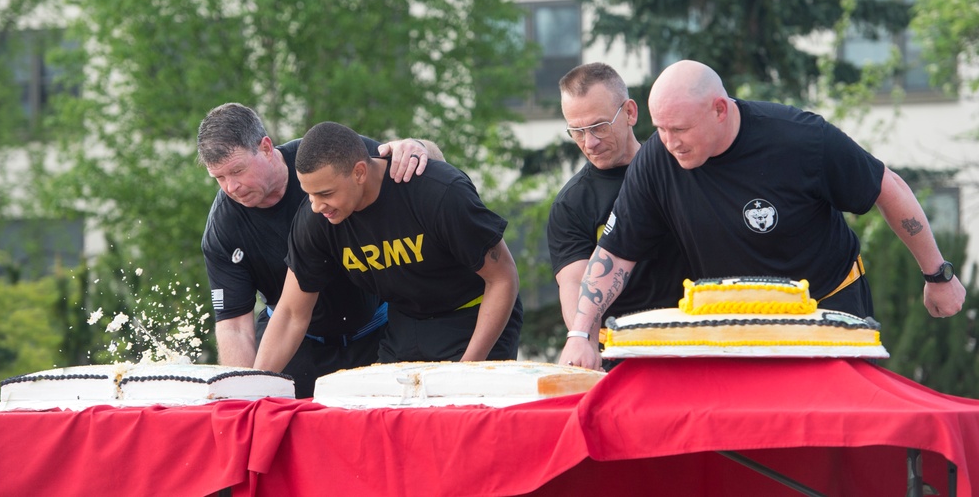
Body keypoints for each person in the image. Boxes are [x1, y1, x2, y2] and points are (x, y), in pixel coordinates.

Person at [560, 60, 967, 370]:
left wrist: (938, 275)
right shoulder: (657, 160)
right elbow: (615, 253)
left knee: (835, 439)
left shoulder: (800, 139)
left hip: (827, 311)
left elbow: (887, 187)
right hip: (741, 326)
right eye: (661, 129)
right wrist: (580, 332)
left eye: (680, 130)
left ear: (720, 110)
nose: (670, 142)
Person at [197, 103, 444, 397]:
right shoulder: (223, 227)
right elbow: (235, 327)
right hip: (294, 342)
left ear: (265, 148)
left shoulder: (325, 157)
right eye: (219, 178)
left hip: (379, 330)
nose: (231, 187)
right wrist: (243, 392)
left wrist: (418, 148)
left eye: (237, 171)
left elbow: (431, 168)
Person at [253, 121, 523, 373]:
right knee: (383, 405)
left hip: (473, 315)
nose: (316, 206)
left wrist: (467, 368)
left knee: (457, 403)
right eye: (309, 194)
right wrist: (253, 385)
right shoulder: (317, 219)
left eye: (325, 193)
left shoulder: (437, 192)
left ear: (359, 172)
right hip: (406, 322)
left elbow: (503, 278)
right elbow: (291, 314)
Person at [548, 63, 687, 366]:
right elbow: (575, 285)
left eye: (599, 126)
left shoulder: (680, 168)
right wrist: (583, 342)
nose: (589, 143)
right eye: (577, 132)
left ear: (630, 113)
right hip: (621, 353)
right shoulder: (571, 204)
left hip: (697, 342)